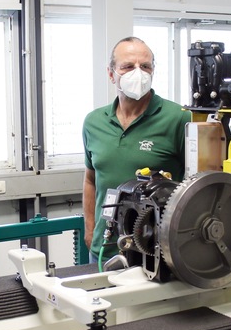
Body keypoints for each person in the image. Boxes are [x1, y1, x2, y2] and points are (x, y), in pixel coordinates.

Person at [82, 36, 191, 264]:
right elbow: (91, 179)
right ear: (111, 74)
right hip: (104, 249)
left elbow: (201, 184)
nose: (138, 73)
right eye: (128, 66)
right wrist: (90, 230)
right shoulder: (94, 122)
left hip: (155, 252)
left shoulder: (179, 119)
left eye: (145, 66)